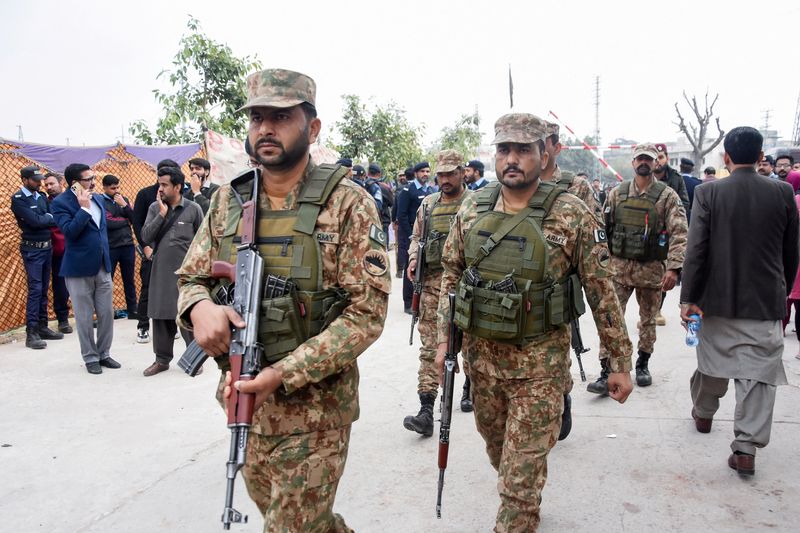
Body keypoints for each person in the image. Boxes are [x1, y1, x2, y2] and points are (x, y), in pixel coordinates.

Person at [176, 68, 390, 531]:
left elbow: (365, 315)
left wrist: (283, 373)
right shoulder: (229, 201)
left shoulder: (349, 204)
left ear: (312, 128)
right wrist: (200, 308)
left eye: (280, 117)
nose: (265, 129)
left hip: (317, 408)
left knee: (289, 526)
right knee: (295, 517)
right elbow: (191, 277)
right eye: (256, 118)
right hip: (243, 399)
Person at [436, 113, 633, 531]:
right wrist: (443, 343)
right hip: (482, 367)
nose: (512, 159)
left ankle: (519, 508)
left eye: (524, 150)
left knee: (519, 480)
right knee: (499, 455)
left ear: (544, 154)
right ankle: (520, 495)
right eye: (504, 149)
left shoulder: (572, 213)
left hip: (540, 371)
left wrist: (619, 361)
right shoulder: (473, 207)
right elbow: (450, 275)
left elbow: (603, 292)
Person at [681, 126, 798, 476]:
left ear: (726, 157)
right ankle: (746, 447)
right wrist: (782, 287)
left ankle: (703, 413)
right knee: (759, 375)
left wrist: (689, 298)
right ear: (761, 156)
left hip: (715, 301)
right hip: (764, 301)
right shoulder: (782, 194)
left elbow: (696, 250)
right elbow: (791, 252)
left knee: (714, 363)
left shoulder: (707, 193)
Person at [589, 143, 688, 394]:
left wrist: (674, 269)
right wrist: (600, 263)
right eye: (639, 158)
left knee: (648, 321)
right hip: (619, 270)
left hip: (652, 269)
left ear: (657, 163)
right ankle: (606, 371)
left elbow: (679, 233)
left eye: (649, 159)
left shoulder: (667, 196)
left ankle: (643, 364)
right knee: (611, 320)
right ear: (633, 162)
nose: (644, 162)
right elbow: (603, 229)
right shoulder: (617, 193)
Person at [403, 149, 473, 435]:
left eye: (450, 173)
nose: (444, 179)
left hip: (466, 287)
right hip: (432, 287)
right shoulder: (429, 205)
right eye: (440, 174)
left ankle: (469, 388)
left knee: (469, 346)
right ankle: (426, 409)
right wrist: (412, 259)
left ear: (462, 172)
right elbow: (416, 237)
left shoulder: (475, 203)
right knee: (431, 349)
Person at [51, 164, 120, 374]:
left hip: (102, 265)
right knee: (83, 315)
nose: (92, 182)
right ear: (74, 183)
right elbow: (70, 232)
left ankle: (104, 354)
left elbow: (102, 231)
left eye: (93, 177)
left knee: (107, 313)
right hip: (78, 268)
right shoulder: (60, 203)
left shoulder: (98, 198)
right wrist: (82, 209)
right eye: (88, 179)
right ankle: (90, 357)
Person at [141, 166, 204, 377]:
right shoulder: (154, 208)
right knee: (160, 316)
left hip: (186, 275)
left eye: (164, 185)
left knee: (187, 314)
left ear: (177, 186)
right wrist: (161, 215)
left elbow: (203, 240)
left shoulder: (193, 208)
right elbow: (145, 237)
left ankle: (194, 358)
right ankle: (161, 360)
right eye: (159, 184)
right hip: (160, 272)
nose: (160, 189)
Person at [10, 165, 63, 349]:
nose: (40, 183)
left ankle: (43, 326)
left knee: (43, 289)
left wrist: (43, 219)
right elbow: (34, 221)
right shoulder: (18, 199)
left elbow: (52, 217)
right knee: (35, 289)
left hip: (46, 247)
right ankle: (31, 332)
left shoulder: (40, 197)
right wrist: (44, 219)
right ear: (25, 180)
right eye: (35, 180)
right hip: (32, 250)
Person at [132, 159, 179, 343]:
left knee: (174, 290)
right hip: (152, 251)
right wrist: (146, 248)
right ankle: (143, 327)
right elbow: (137, 222)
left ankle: (172, 325)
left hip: (174, 254)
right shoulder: (146, 195)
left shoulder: (182, 198)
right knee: (147, 290)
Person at [653, 143, 690, 326]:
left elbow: (684, 204)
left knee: (665, 271)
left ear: (666, 158)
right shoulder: (644, 176)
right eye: (655, 157)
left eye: (661, 157)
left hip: (667, 233)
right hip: (648, 232)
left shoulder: (676, 178)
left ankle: (657, 309)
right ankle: (650, 309)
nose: (658, 161)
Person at [396, 161, 434, 313]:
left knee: (422, 269)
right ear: (416, 173)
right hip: (409, 237)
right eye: (422, 171)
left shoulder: (430, 190)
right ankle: (408, 302)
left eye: (427, 171)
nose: (425, 174)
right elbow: (402, 215)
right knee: (409, 269)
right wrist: (411, 235)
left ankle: (419, 301)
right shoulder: (407, 190)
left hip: (425, 237)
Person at [101, 174, 137, 318]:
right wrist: (125, 220)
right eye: (112, 188)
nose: (116, 190)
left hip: (127, 244)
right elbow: (108, 223)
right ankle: (106, 311)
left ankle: (133, 309)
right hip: (111, 246)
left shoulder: (124, 199)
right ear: (104, 187)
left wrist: (124, 206)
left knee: (129, 279)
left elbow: (134, 218)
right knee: (107, 281)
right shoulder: (101, 201)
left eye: (117, 187)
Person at [43, 173, 72, 334]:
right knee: (60, 286)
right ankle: (62, 319)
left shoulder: (71, 199)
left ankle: (90, 316)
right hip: (58, 250)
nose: (49, 187)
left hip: (76, 248)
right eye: (46, 184)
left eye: (52, 183)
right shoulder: (45, 202)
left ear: (61, 183)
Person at [392, 168, 413, 278]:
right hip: (403, 222)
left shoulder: (403, 189)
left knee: (402, 246)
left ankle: (403, 269)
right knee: (402, 247)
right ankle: (401, 269)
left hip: (407, 222)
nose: (401, 178)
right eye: (400, 176)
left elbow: (396, 207)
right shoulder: (399, 189)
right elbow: (395, 206)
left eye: (403, 175)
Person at [369, 163, 393, 238]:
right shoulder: (385, 187)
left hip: (368, 219)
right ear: (379, 174)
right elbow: (391, 203)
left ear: (368, 173)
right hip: (383, 220)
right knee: (382, 243)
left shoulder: (362, 185)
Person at [680, 158, 703, 223]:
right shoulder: (698, 183)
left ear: (680, 167)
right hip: (692, 217)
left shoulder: (674, 181)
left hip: (675, 216)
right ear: (692, 169)